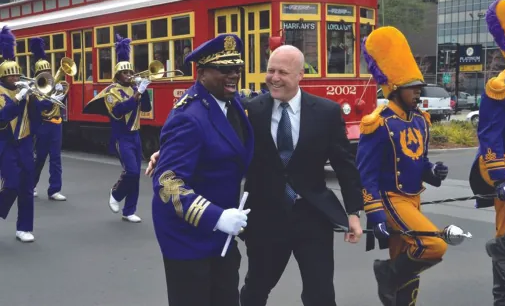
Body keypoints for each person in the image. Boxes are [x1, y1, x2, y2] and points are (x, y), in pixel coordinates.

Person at [145, 44, 363, 306]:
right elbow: (206, 134)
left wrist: (353, 212)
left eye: (283, 71)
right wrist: (164, 153)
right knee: (254, 291)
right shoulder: (249, 109)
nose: (274, 77)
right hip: (265, 219)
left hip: (312, 217)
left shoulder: (326, 112)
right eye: (270, 70)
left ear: (300, 75)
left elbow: (344, 164)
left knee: (321, 294)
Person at [150, 34, 253, 306]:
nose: (233, 75)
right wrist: (216, 217)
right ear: (203, 72)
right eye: (224, 69)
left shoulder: (230, 102)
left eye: (237, 69)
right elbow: (167, 184)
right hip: (189, 237)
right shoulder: (188, 117)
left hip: (222, 234)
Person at [356, 26, 450, 305]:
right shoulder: (378, 122)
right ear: (395, 89)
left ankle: (393, 281)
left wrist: (432, 171)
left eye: (419, 88)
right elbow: (366, 176)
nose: (418, 94)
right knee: (434, 245)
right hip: (391, 201)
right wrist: (375, 217)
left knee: (409, 264)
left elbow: (418, 162)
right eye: (413, 89)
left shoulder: (421, 120)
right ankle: (386, 272)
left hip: (414, 200)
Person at [469, 0, 505, 305]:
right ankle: (503, 297)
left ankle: (504, 290)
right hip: (504, 161)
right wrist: (500, 176)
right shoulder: (500, 86)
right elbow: (488, 136)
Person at [83, 34, 151, 223]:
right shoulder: (111, 92)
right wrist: (137, 93)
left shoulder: (135, 89)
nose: (130, 75)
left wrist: (144, 92)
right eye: (126, 73)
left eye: (131, 72)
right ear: (118, 75)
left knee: (136, 174)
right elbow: (119, 111)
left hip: (136, 135)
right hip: (122, 136)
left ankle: (129, 211)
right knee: (131, 171)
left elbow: (146, 109)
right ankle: (115, 193)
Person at [0, 26, 59, 242]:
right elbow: (4, 115)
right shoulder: (2, 93)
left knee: (26, 186)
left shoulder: (25, 90)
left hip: (25, 142)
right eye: (11, 75)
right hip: (6, 143)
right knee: (12, 183)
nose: (16, 77)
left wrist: (45, 96)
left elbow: (40, 112)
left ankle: (23, 227)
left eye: (17, 73)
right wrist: (19, 97)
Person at [31, 37, 67, 201]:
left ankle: (54, 189)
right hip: (43, 125)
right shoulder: (34, 88)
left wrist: (61, 94)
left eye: (48, 72)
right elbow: (41, 107)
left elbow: (60, 104)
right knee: (40, 158)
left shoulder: (53, 83)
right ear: (37, 74)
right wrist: (53, 95)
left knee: (56, 158)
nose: (46, 74)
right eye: (42, 72)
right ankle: (31, 185)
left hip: (56, 124)